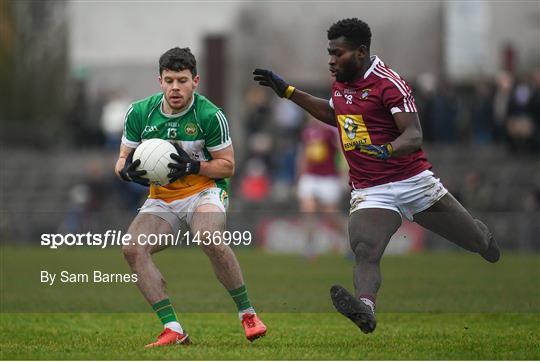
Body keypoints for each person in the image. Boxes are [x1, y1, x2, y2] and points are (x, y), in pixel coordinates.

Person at [253, 18, 500, 334]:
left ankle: (482, 237)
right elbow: (334, 114)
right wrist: (288, 92)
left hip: (414, 183)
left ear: (360, 52)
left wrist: (387, 150)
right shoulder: (342, 82)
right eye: (329, 52)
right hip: (371, 188)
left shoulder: (389, 83)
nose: (331, 60)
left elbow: (413, 134)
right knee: (365, 251)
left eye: (337, 53)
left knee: (475, 241)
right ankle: (366, 309)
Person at [115, 47, 266, 347]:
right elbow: (121, 160)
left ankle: (247, 313)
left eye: (182, 80)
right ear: (159, 81)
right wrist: (126, 172)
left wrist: (194, 165)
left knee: (208, 236)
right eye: (169, 80)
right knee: (132, 249)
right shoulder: (140, 112)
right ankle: (173, 328)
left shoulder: (211, 115)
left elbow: (229, 166)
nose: (175, 88)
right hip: (161, 198)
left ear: (195, 81)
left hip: (205, 191)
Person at [297, 116, 346, 260]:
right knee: (308, 209)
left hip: (328, 177)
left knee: (330, 214)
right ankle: (309, 248)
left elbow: (342, 153)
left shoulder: (331, 131)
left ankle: (349, 242)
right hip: (311, 177)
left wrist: (344, 174)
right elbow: (303, 155)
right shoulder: (306, 132)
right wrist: (300, 174)